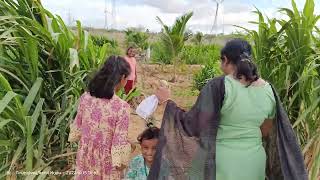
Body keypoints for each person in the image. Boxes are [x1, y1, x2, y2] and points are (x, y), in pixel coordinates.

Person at [149, 39, 307, 180]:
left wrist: (168, 102)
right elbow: (266, 129)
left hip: (224, 161)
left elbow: (194, 124)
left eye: (221, 61)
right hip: (254, 160)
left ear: (225, 60)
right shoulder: (268, 90)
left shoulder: (219, 86)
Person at [68, 56, 132, 180]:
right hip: (106, 164)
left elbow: (78, 128)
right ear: (123, 78)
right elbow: (119, 143)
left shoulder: (85, 98)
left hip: (84, 158)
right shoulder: (122, 107)